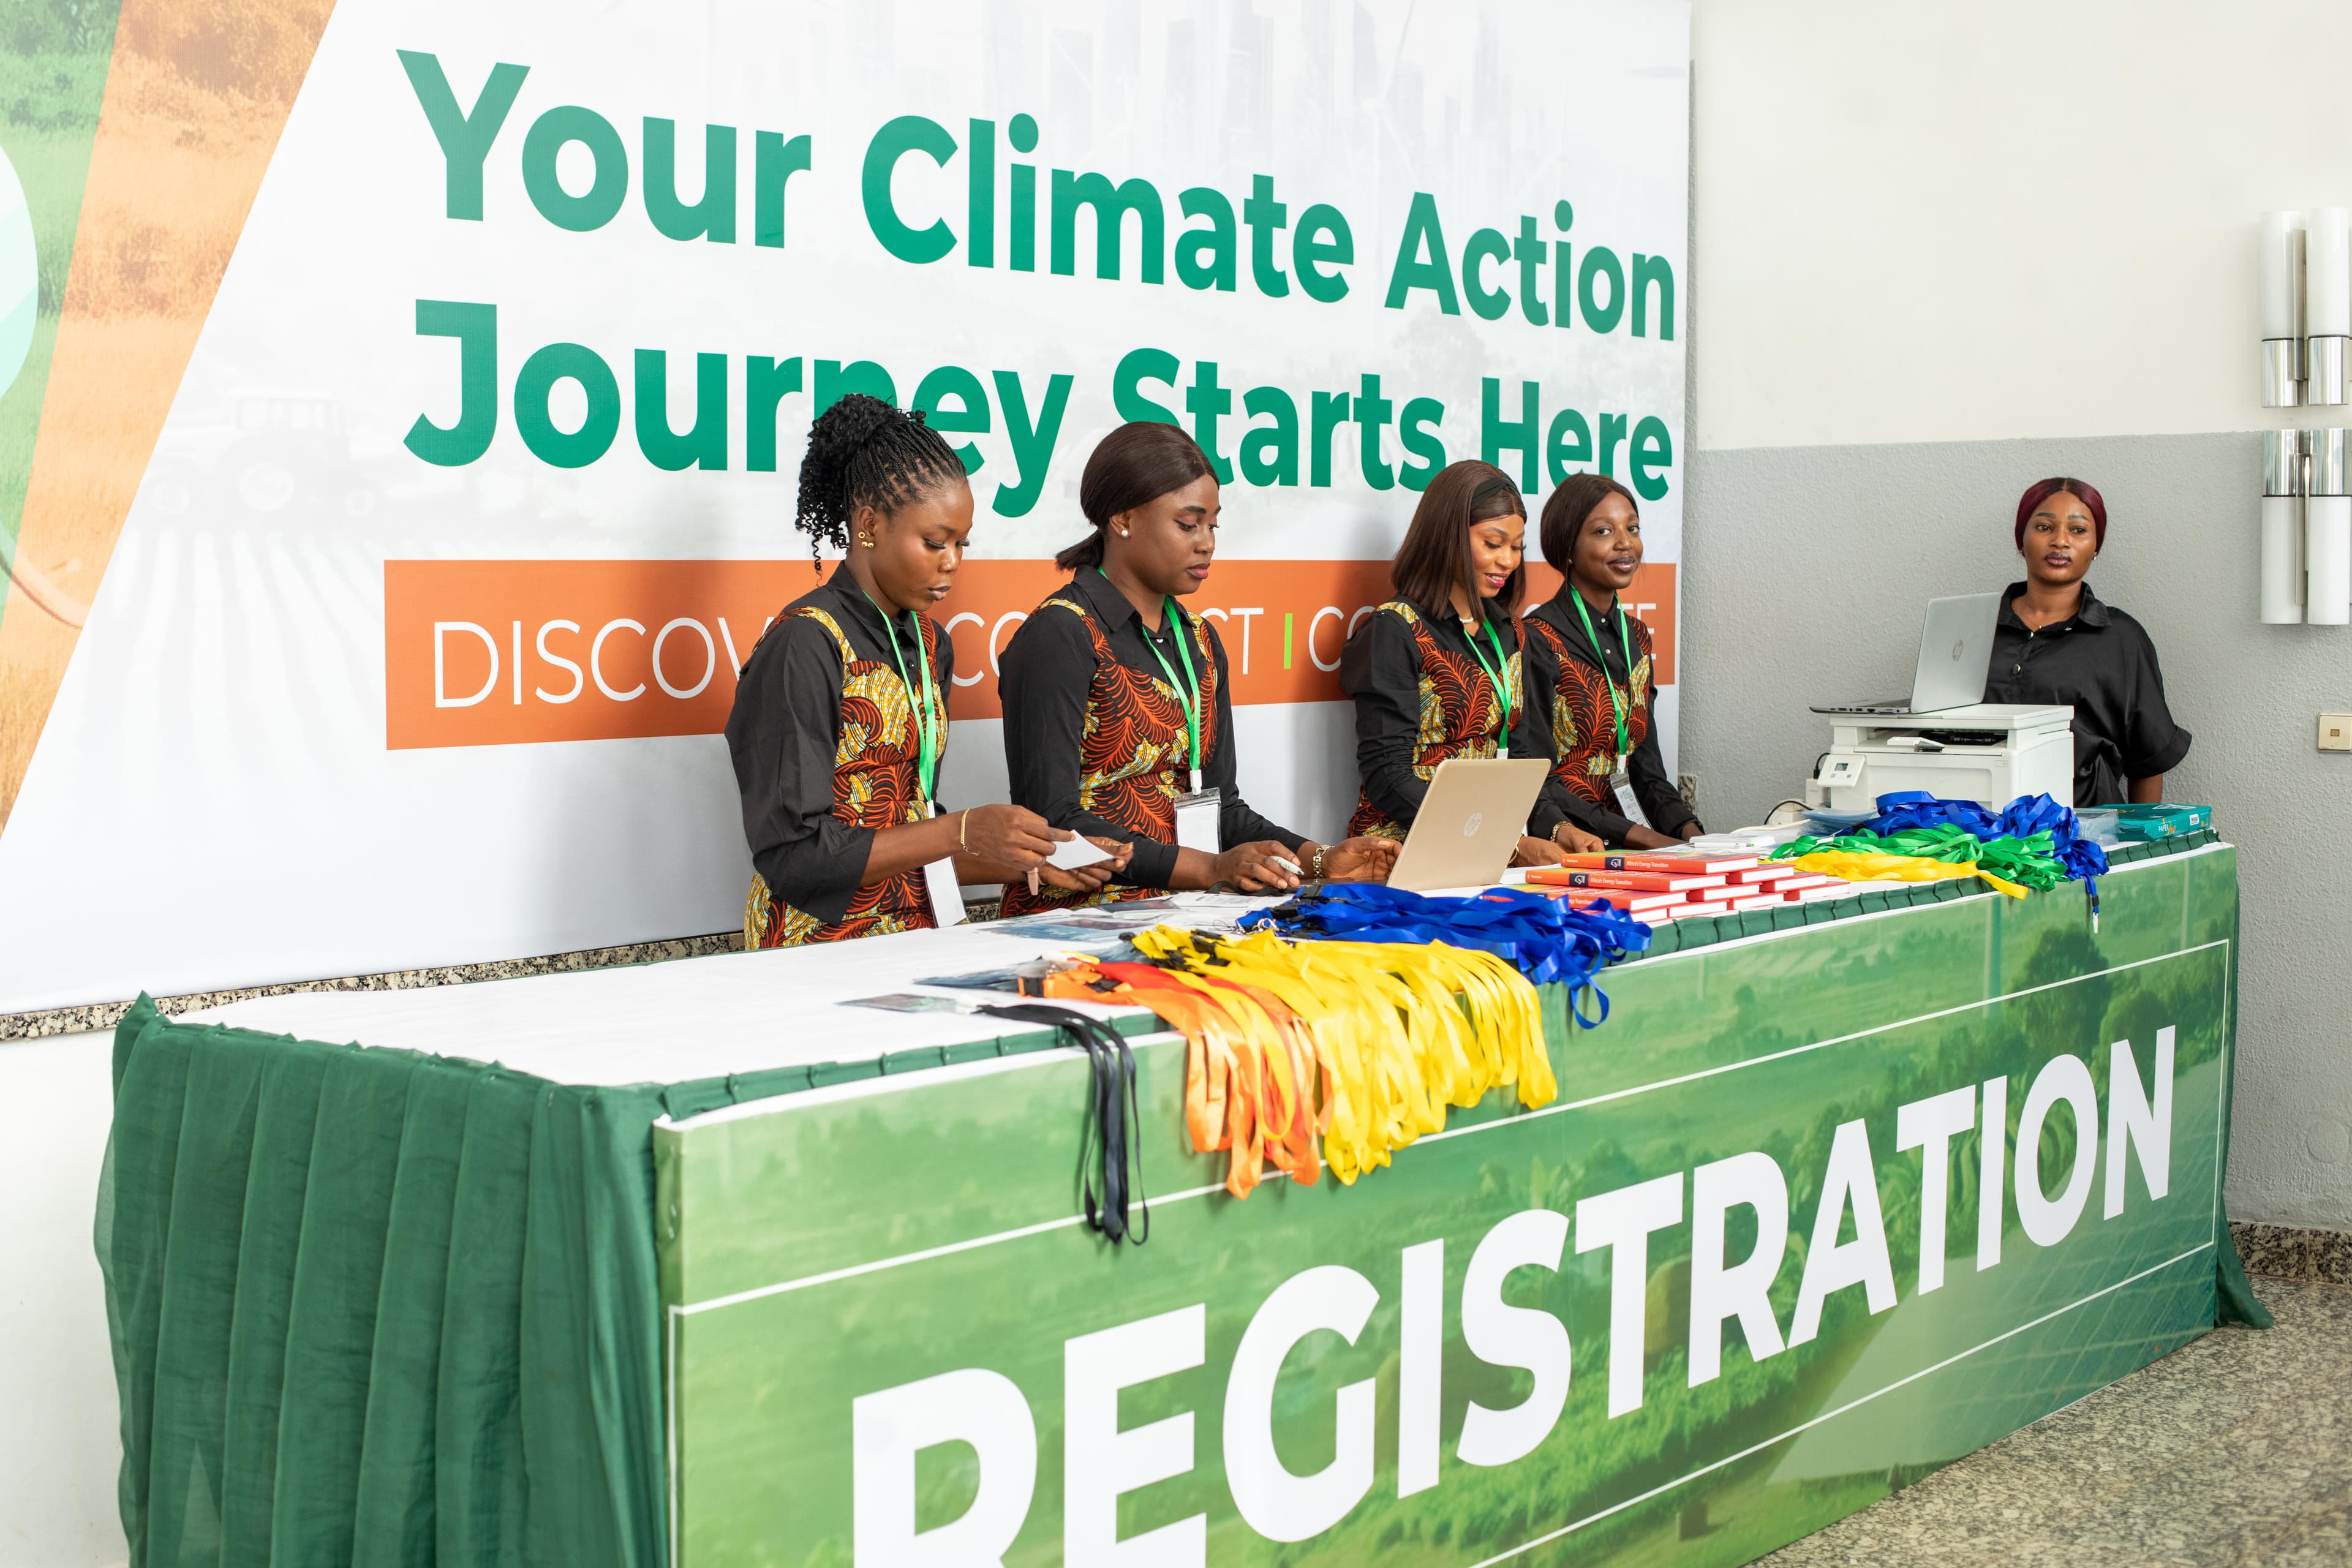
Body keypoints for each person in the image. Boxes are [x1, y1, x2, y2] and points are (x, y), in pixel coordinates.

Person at [726, 394, 1129, 947]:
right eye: (934, 542)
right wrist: (960, 828)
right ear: (869, 524)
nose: (953, 562)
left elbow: (914, 836)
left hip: (918, 938)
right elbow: (794, 859)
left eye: (962, 544)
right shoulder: (806, 643)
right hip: (813, 949)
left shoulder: (930, 643)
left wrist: (1035, 862)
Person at [998, 421, 1396, 915]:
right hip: (1080, 916)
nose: (1206, 542)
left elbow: (1220, 806)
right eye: (1188, 524)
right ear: (1122, 520)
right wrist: (1209, 869)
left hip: (1192, 904)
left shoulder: (1200, 641)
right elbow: (1052, 819)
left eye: (1213, 525)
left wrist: (1319, 860)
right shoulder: (1060, 633)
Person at [1338, 460, 1602, 859]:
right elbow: (1388, 777)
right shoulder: (1395, 629)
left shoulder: (1507, 632)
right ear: (1449, 537)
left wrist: (1557, 827)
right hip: (1402, 852)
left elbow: (1522, 758)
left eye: (1516, 547)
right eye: (1493, 544)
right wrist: (1505, 844)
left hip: (1490, 847)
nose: (1508, 562)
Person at [1981, 477, 2188, 806]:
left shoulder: (2121, 638)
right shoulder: (1973, 628)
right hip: (1974, 832)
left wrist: (2136, 849)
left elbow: (2148, 759)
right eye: (2044, 527)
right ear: (2021, 540)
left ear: (2096, 547)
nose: (2060, 541)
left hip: (2087, 836)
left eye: (2078, 530)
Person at [1521, 474, 1703, 848]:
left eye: (1632, 528)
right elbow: (1538, 778)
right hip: (1570, 842)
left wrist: (1692, 835)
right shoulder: (1535, 639)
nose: (1626, 543)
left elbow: (1648, 768)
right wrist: (1646, 839)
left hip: (1635, 835)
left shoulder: (1637, 636)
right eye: (1604, 531)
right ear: (1567, 547)